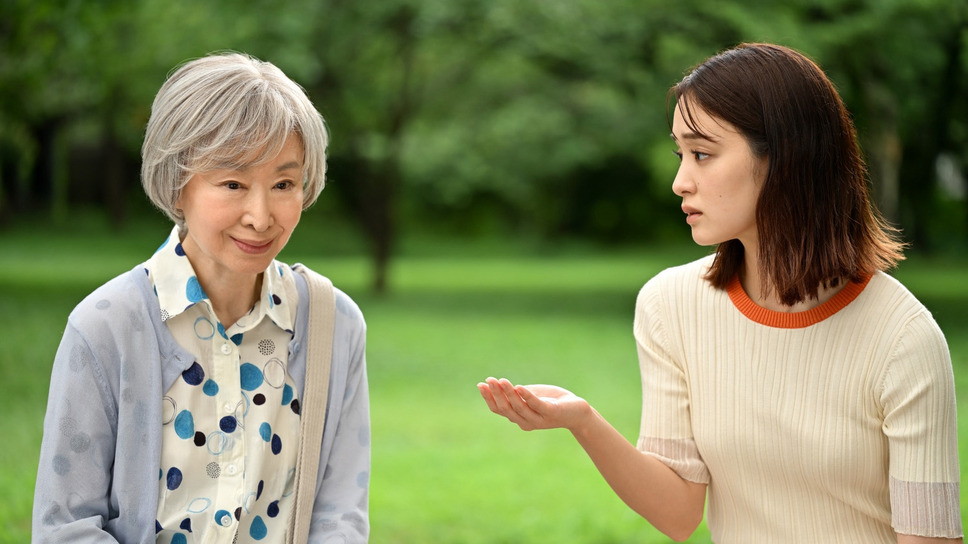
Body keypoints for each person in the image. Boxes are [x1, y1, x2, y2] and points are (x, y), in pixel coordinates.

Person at [478, 43, 962, 543]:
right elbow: (678, 512)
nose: (679, 182)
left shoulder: (903, 338)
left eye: (702, 154)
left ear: (786, 159)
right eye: (681, 154)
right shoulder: (670, 305)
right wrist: (582, 420)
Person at [33, 52, 370, 543]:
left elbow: (341, 517)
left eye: (283, 184)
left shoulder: (333, 325)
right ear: (177, 186)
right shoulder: (106, 327)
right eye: (232, 183)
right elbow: (66, 528)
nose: (260, 216)